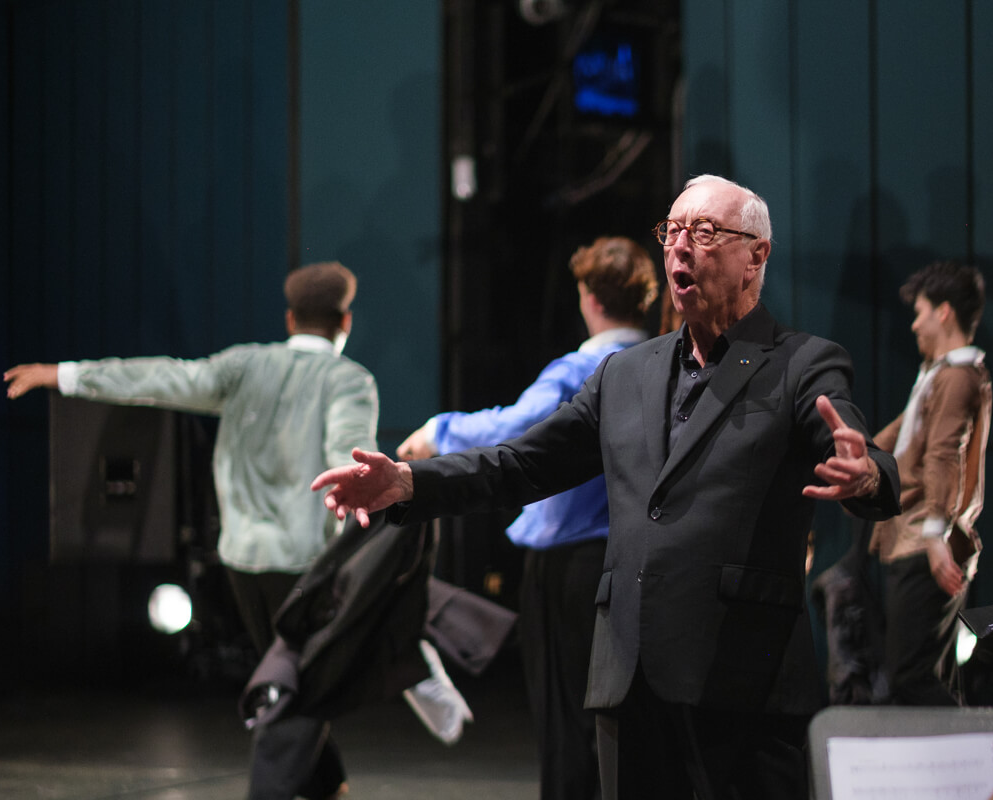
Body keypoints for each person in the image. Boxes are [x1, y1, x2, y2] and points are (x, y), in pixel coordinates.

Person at [309, 174, 901, 799]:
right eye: (671, 232)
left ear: (757, 254)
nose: (680, 247)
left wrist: (867, 477)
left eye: (704, 232)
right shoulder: (626, 373)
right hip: (630, 681)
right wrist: (408, 483)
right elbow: (522, 463)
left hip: (742, 685)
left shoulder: (803, 362)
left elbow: (866, 456)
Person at [5, 261, 375, 800]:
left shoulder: (244, 365)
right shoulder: (350, 380)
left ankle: (330, 787)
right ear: (344, 321)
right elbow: (348, 458)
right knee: (302, 686)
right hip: (304, 563)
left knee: (294, 679)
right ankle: (285, 788)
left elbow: (161, 378)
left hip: (244, 563)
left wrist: (63, 373)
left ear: (291, 318)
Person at [396, 236, 658, 800]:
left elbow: (517, 430)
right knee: (627, 720)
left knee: (567, 719)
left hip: (573, 567)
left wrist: (436, 433)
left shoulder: (581, 369)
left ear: (589, 298)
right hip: (641, 565)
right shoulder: (664, 366)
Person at [869, 260, 991, 706]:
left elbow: (945, 453)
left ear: (943, 313)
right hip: (913, 537)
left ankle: (965, 763)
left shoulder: (958, 375)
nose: (914, 324)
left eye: (920, 312)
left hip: (923, 541)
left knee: (912, 676)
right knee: (926, 672)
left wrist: (937, 534)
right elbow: (903, 436)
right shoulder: (940, 374)